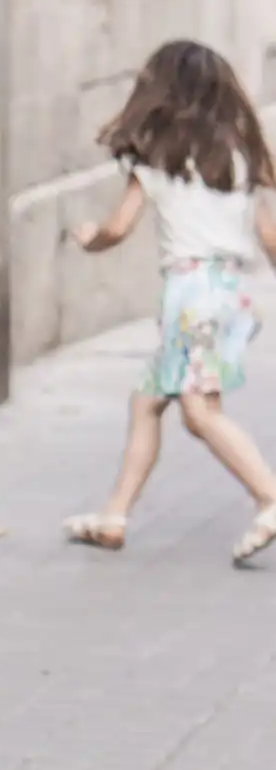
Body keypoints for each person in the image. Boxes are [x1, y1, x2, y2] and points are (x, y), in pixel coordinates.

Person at [64, 39, 276, 565]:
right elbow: (270, 237)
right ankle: (114, 516)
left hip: (193, 297)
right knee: (147, 401)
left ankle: (270, 498)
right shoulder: (238, 159)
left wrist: (90, 237)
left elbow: (118, 228)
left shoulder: (156, 161)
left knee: (200, 413)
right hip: (231, 293)